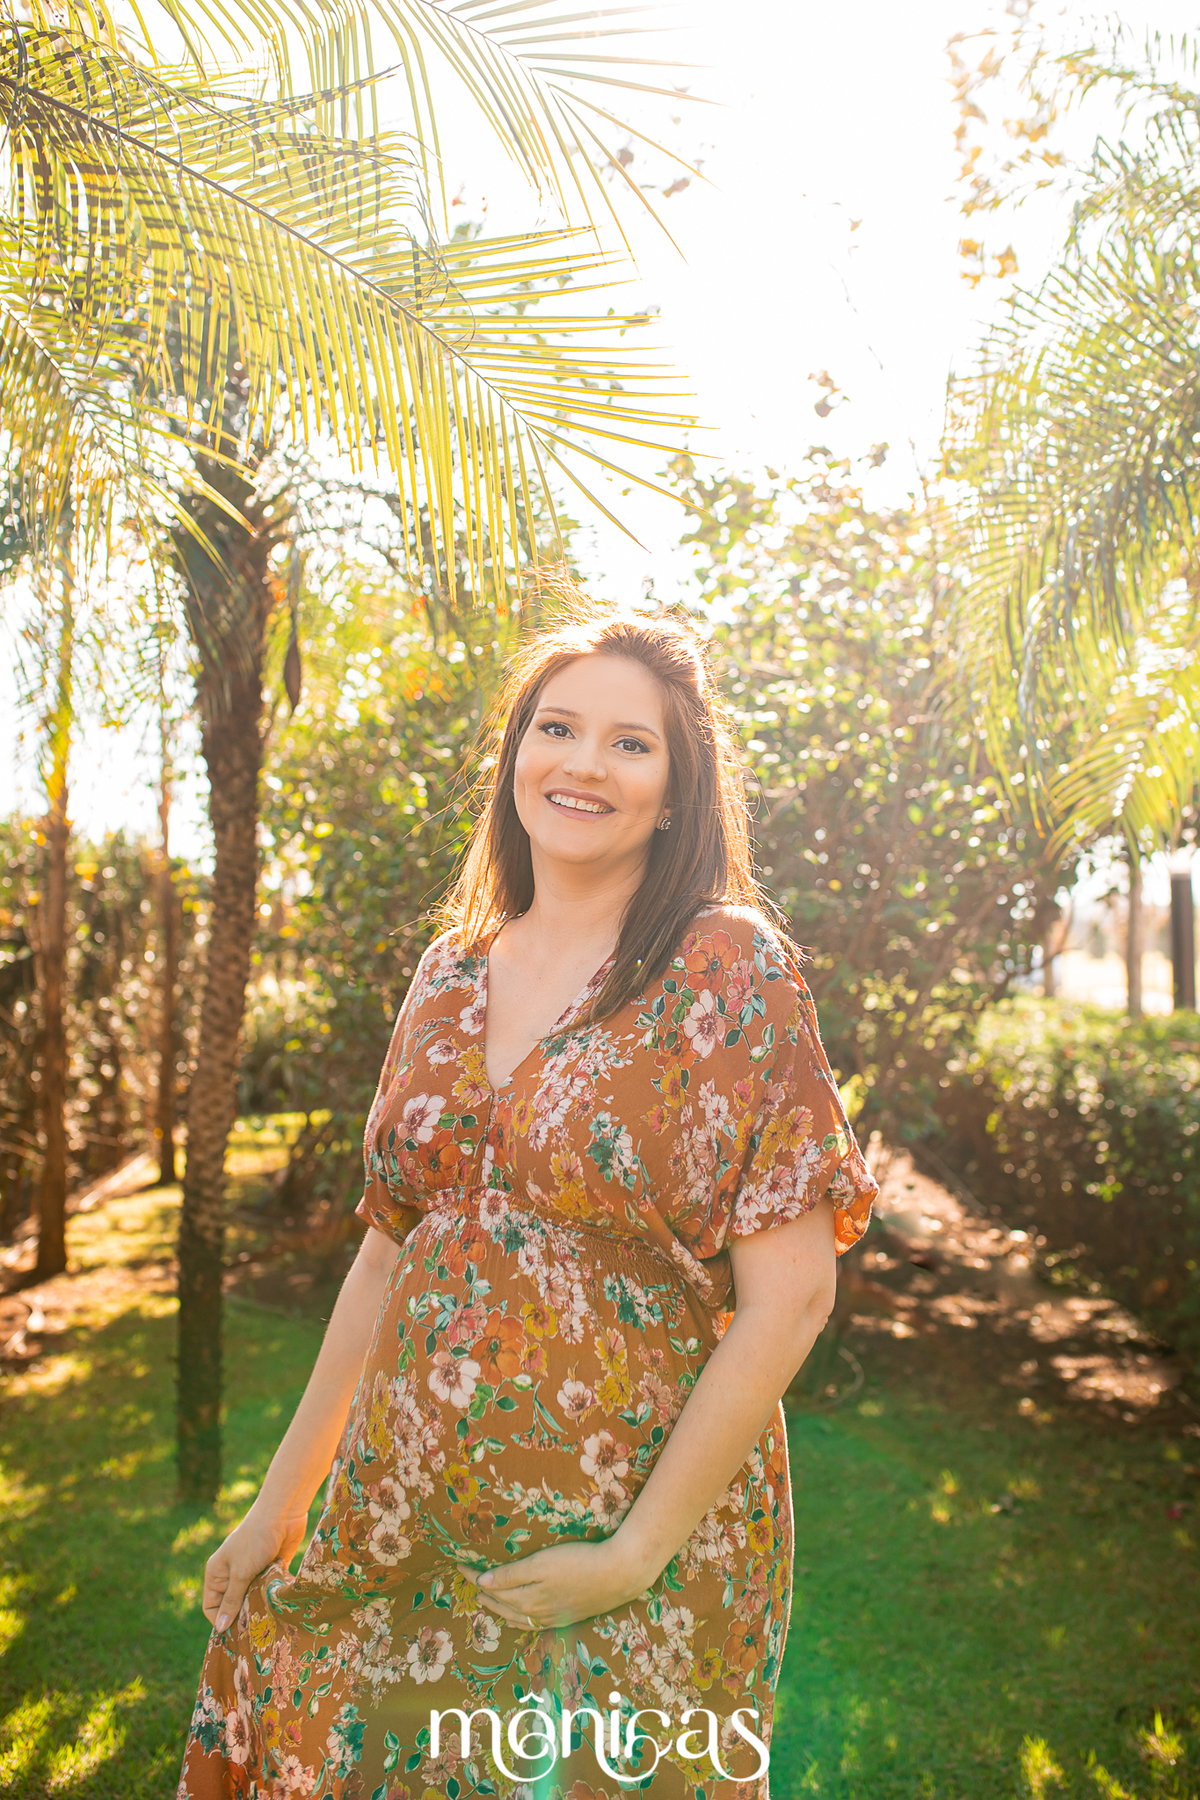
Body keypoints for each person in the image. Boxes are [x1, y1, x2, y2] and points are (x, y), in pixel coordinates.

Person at [178, 600, 877, 1800]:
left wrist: (631, 1555)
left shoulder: (728, 966)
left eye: (630, 742)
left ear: (676, 785)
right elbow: (385, 1260)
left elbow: (793, 1298)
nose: (583, 763)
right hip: (406, 1534)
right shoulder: (449, 973)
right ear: (514, 758)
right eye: (556, 728)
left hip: (625, 1555)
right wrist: (276, 1509)